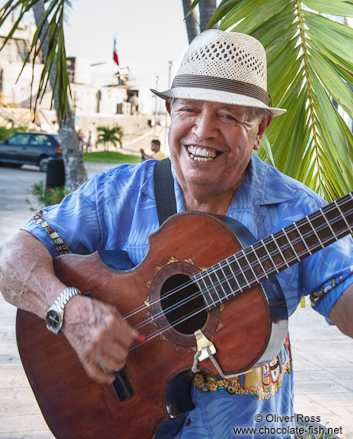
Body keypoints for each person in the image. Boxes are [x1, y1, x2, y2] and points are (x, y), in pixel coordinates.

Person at [1, 30, 353, 439]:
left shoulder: (298, 211)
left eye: (228, 114)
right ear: (169, 110)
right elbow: (14, 258)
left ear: (261, 129)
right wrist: (68, 308)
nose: (203, 130)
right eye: (189, 109)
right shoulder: (116, 194)